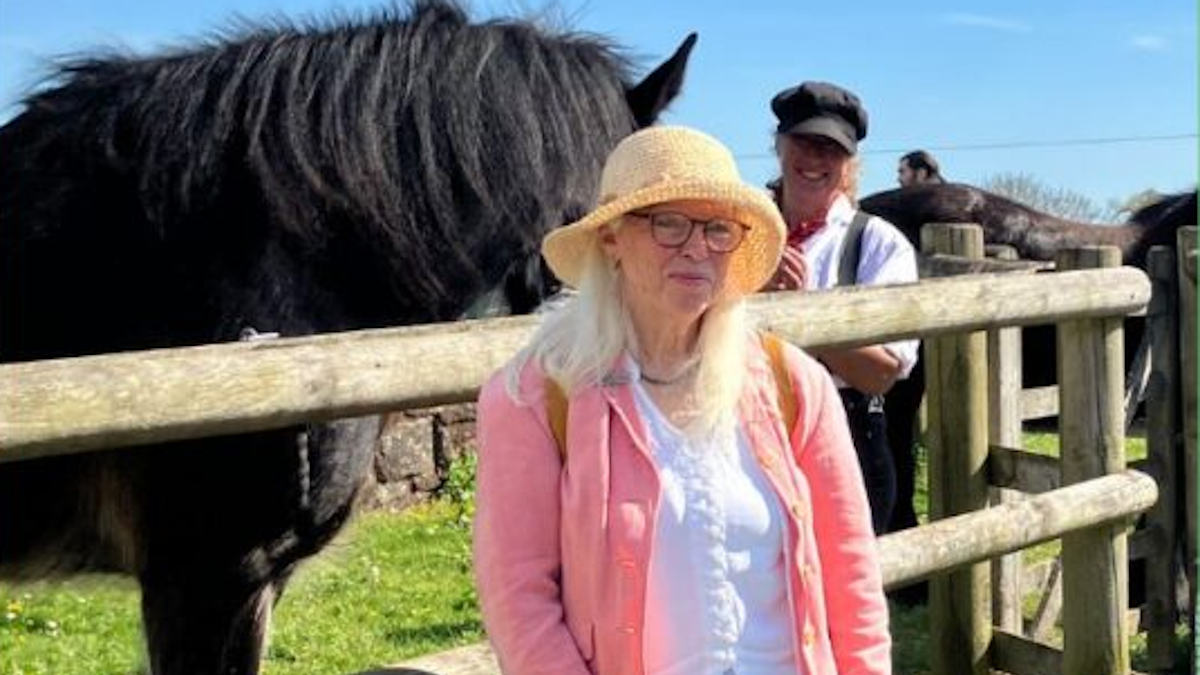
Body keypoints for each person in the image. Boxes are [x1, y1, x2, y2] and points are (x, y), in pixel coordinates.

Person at [473, 126, 890, 675]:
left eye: (719, 229)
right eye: (667, 222)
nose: (696, 247)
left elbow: (850, 575)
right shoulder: (538, 395)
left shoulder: (793, 384)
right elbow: (519, 601)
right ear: (612, 239)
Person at [764, 81, 920, 535]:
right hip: (741, 432)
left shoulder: (877, 243)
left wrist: (797, 312)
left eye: (830, 148)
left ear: (849, 161)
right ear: (779, 145)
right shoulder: (738, 232)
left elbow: (879, 375)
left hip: (843, 436)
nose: (814, 159)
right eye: (803, 142)